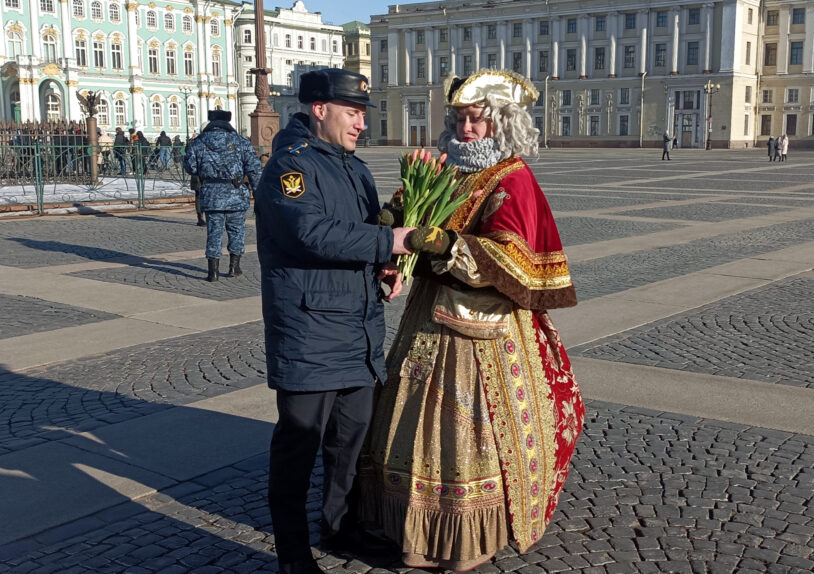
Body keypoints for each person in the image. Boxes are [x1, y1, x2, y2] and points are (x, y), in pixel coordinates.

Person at [361, 69, 585, 572]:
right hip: (429, 313)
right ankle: (409, 529)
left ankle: (465, 537)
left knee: (465, 426)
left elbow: (513, 255)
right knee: (413, 414)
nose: (466, 129)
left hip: (483, 326)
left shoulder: (513, 178)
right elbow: (413, 217)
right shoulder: (449, 170)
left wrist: (444, 244)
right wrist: (395, 220)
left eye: (476, 119)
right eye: (459, 119)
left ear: (501, 122)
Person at [254, 68, 413, 574]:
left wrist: (387, 268)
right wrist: (392, 241)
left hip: (357, 331)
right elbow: (310, 234)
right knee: (298, 448)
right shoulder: (290, 167)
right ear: (319, 110)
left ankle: (340, 528)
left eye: (364, 113)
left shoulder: (354, 168)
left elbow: (363, 233)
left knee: (350, 444)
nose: (362, 123)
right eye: (353, 112)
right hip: (310, 332)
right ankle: (293, 557)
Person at [184, 110, 262, 281]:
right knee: (236, 230)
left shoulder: (198, 143)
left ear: (210, 121)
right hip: (236, 193)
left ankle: (213, 272)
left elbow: (190, 168)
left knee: (214, 232)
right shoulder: (241, 142)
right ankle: (234, 267)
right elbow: (254, 169)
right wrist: (258, 193)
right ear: (228, 121)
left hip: (211, 194)